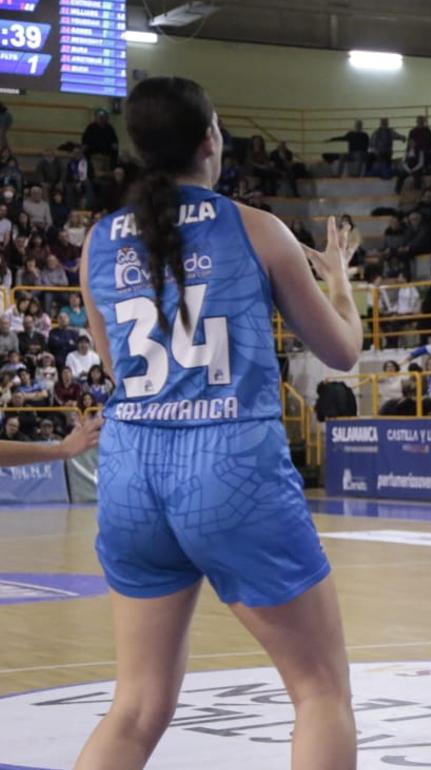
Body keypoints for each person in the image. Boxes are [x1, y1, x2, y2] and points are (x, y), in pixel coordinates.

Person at [73, 77, 362, 769]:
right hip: (230, 470)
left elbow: (118, 369)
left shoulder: (96, 243)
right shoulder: (257, 228)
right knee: (320, 692)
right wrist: (342, 283)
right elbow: (343, 352)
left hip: (132, 477)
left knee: (137, 707)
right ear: (210, 139)